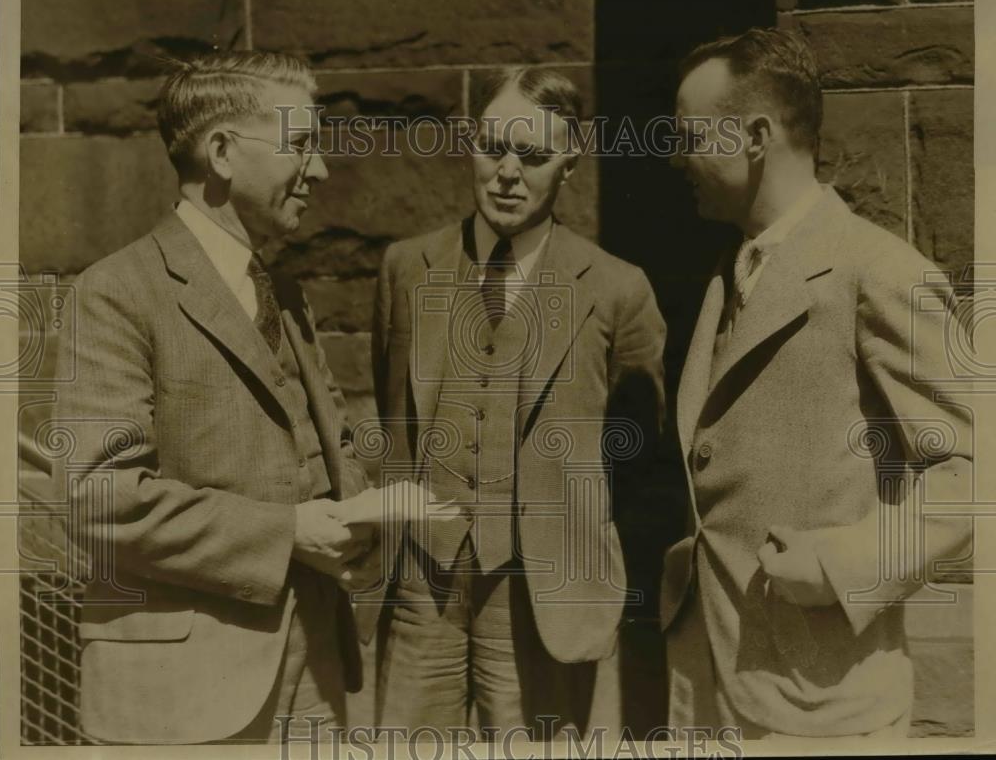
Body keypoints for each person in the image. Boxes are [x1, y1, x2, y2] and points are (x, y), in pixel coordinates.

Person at [53, 51, 379, 744]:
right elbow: (98, 497)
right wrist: (288, 532)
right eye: (300, 145)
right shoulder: (116, 292)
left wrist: (361, 510)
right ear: (223, 153)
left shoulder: (285, 295)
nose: (318, 170)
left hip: (316, 667)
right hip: (184, 697)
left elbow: (329, 445)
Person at [662, 27, 973, 738]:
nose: (676, 159)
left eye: (689, 137)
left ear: (755, 136)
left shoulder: (878, 271)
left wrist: (845, 565)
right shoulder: (726, 274)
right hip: (707, 678)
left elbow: (974, 477)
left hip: (820, 703)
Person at [368, 67, 666, 736]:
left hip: (541, 592)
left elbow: (640, 461)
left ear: (570, 165)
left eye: (531, 156)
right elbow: (394, 421)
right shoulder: (405, 267)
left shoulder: (618, 289)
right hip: (424, 580)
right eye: (492, 147)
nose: (506, 172)